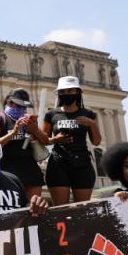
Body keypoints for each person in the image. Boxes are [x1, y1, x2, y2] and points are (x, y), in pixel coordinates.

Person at [42, 76, 101, 205]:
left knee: (80, 209)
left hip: (82, 164)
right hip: (58, 164)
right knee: (61, 209)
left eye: (69, 91)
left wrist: (92, 124)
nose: (66, 94)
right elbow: (44, 140)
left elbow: (96, 142)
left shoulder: (88, 114)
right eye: (62, 92)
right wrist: (55, 139)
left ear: (77, 92)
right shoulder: (51, 114)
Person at [0, 88, 49, 200]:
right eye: (18, 105)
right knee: (13, 210)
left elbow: (46, 140)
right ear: (9, 102)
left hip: (30, 169)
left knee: (34, 209)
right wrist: (13, 132)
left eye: (24, 106)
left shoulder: (27, 118)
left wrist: (34, 129)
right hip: (7, 171)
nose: (21, 109)